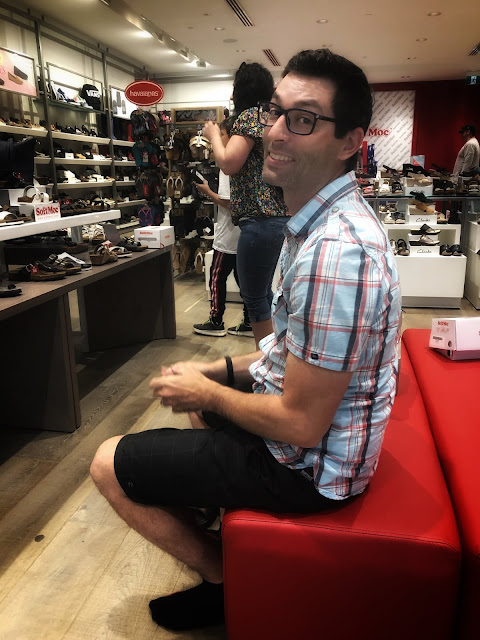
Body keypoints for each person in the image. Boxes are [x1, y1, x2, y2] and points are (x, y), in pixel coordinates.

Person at [90, 49, 402, 633]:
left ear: (350, 142)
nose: (275, 132)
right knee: (203, 409)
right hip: (321, 446)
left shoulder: (337, 254)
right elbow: (284, 352)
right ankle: (229, 539)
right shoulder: (311, 224)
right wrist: (213, 373)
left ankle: (222, 578)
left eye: (303, 119)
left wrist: (208, 392)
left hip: (312, 469)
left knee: (108, 463)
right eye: (275, 113)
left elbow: (301, 424)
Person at [203, 62, 289, 347]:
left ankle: (266, 360)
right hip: (275, 217)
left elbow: (228, 163)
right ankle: (272, 354)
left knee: (254, 296)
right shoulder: (270, 117)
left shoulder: (249, 117)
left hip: (259, 219)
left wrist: (214, 137)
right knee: (262, 293)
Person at [193, 117, 252, 338]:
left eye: (222, 134)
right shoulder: (248, 162)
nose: (219, 139)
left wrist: (207, 191)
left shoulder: (228, 164)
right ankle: (249, 322)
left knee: (217, 279)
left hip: (228, 237)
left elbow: (228, 203)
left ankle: (216, 321)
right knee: (245, 282)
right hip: (245, 234)